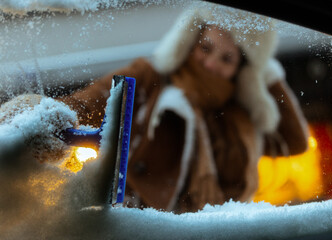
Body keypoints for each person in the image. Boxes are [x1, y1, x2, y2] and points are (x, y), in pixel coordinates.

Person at [1, 3, 308, 213]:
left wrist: (262, 68)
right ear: (189, 41)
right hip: (151, 227)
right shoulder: (152, 77)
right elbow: (85, 103)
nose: (211, 63)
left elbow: (295, 141)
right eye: (206, 47)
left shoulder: (240, 113)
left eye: (227, 59)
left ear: (241, 70)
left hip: (217, 230)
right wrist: (31, 117)